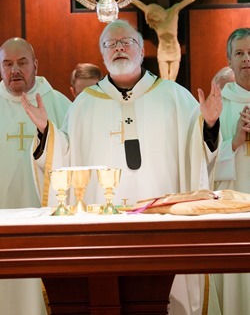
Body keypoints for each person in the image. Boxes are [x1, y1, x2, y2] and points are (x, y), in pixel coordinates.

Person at [22, 19, 222, 315]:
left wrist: (208, 123)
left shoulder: (175, 96)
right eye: (110, 45)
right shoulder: (85, 104)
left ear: (142, 51)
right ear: (102, 55)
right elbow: (64, 156)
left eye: (126, 42)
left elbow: (197, 155)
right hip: (104, 231)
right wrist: (45, 132)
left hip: (163, 227)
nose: (118, 49)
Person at [0, 37, 71, 315]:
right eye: (7, 64)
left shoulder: (59, 104)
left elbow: (73, 155)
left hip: (44, 224)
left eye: (22, 63)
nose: (15, 70)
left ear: (36, 65)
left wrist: (47, 134)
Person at [208, 28, 250, 315]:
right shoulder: (218, 104)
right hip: (235, 213)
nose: (247, 59)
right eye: (240, 53)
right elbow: (203, 164)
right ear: (229, 61)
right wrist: (234, 141)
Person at [111, 0, 221, 81]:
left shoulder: (173, 11)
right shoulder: (157, 23)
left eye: (154, 15)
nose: (154, 18)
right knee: (164, 80)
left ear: (157, 11)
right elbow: (136, 2)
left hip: (174, 51)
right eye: (152, 18)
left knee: (172, 81)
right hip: (163, 52)